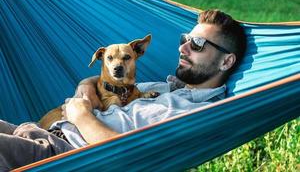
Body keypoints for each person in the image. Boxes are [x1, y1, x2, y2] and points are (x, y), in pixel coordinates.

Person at [0, 10, 247, 171]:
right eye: (185, 39)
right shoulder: (163, 88)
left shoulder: (194, 113)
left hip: (58, 155)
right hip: (35, 130)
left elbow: (125, 156)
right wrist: (86, 89)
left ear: (226, 62)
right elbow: (98, 81)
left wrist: (80, 116)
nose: (183, 48)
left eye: (198, 44)